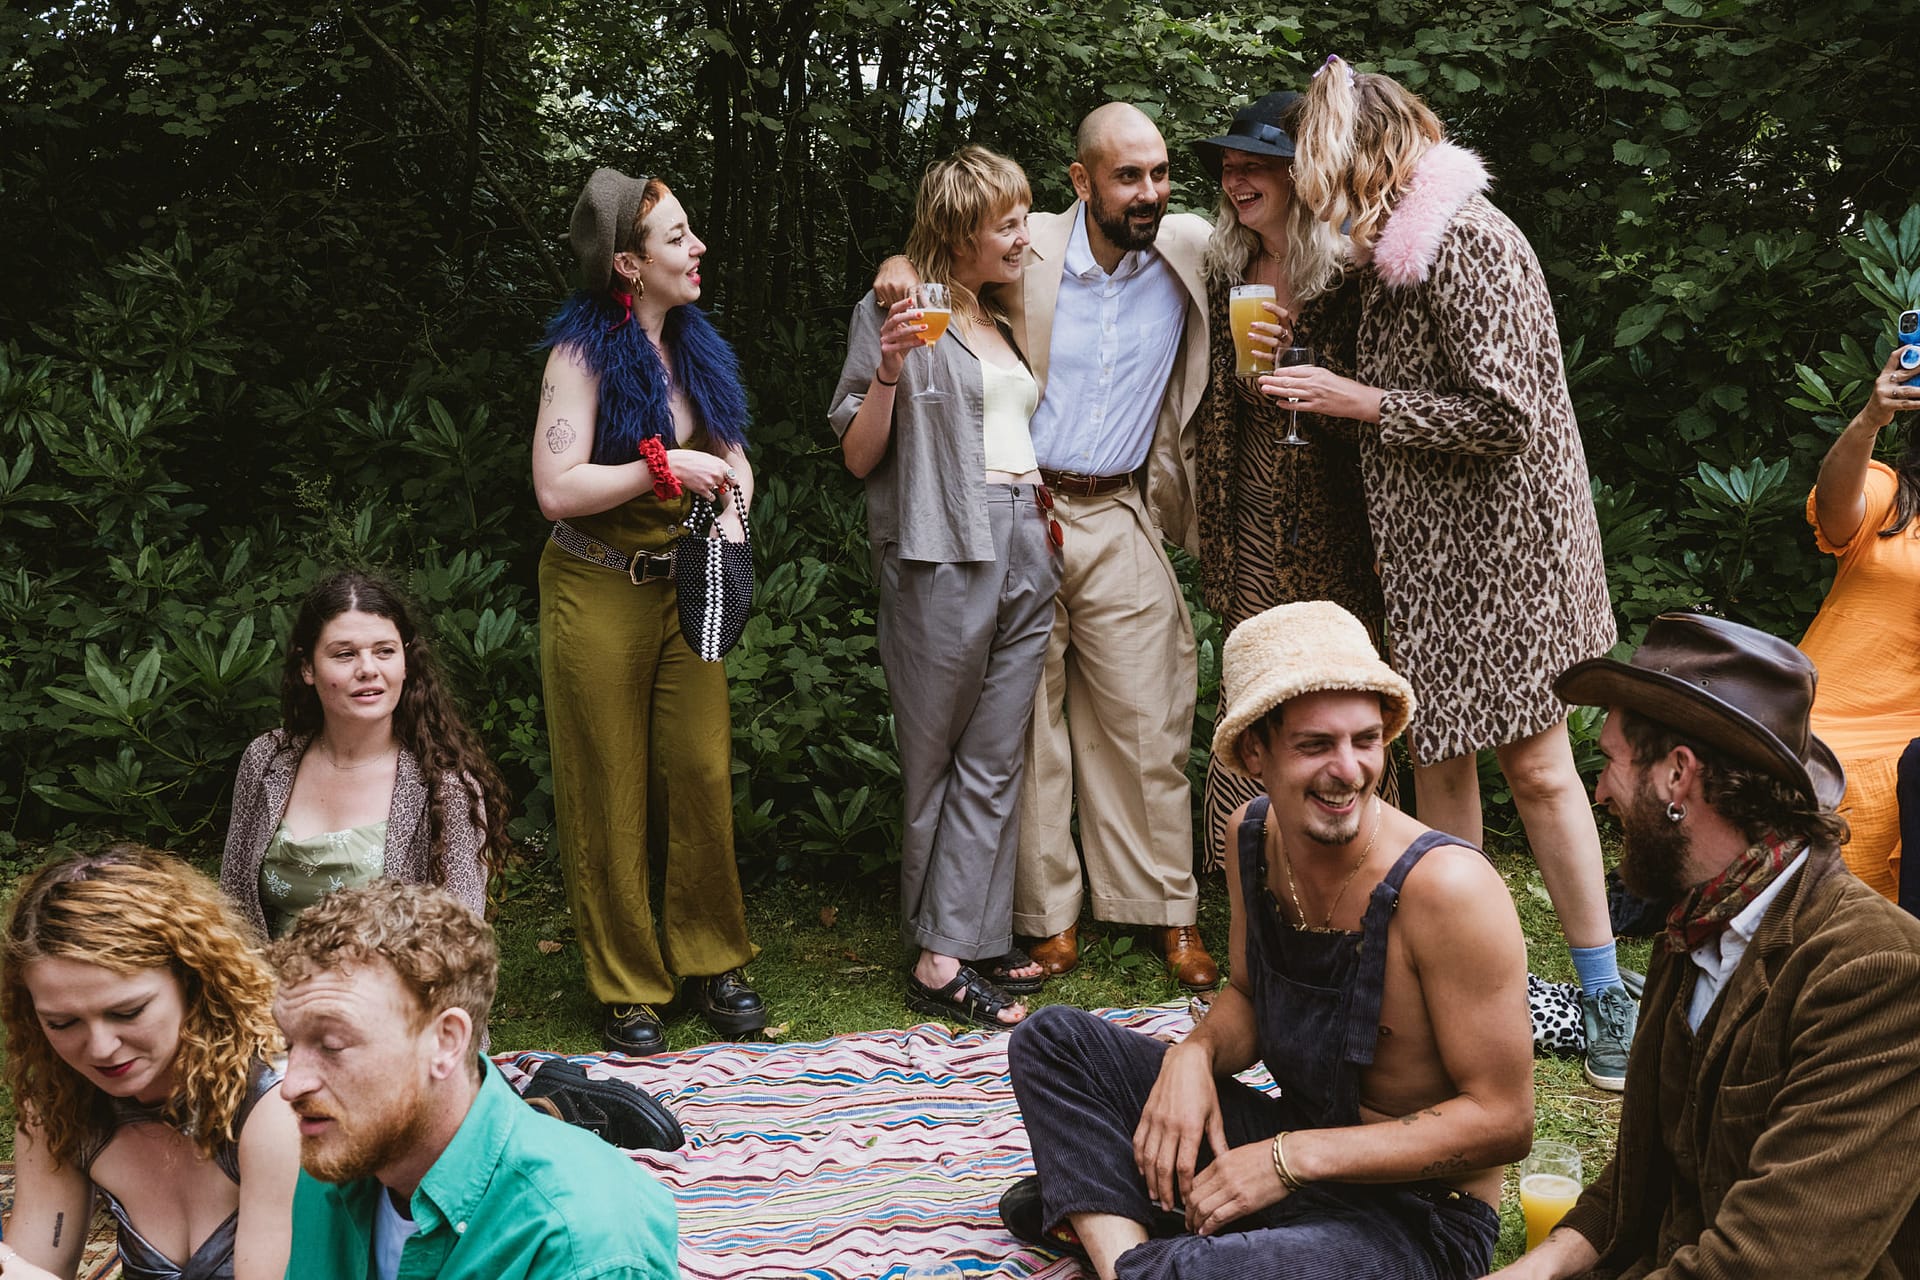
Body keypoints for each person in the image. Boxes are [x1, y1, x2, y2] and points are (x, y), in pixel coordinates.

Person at [1279, 57, 1633, 1089]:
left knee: (1537, 768)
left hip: (1512, 558)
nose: (1323, 197)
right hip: (1433, 563)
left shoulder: (1472, 241)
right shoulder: (1391, 250)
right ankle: (1467, 986)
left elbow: (1506, 417)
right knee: (1436, 767)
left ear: (1374, 155)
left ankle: (1606, 997)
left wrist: (1361, 402)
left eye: (1329, 173)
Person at [1003, 601, 1532, 1280]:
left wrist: (1288, 1159)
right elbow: (1251, 995)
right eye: (1316, 745)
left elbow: (1506, 1122)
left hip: (1418, 1220)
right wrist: (1193, 1054)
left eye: (1365, 740)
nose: (1349, 771)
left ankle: (1130, 1229)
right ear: (1255, 751)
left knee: (1143, 1245)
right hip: (1291, 1162)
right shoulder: (1252, 836)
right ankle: (1134, 1259)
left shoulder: (1449, 888)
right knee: (1052, 1042)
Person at [877, 103, 1219, 992]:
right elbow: (939, 254)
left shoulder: (1188, 248)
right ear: (1082, 180)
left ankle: (1163, 910)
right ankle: (1047, 917)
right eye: (1127, 176)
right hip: (1020, 507)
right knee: (1028, 727)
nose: (1149, 192)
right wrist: (891, 271)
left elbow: (1277, 235)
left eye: (1159, 172)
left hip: (1117, 508)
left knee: (1148, 716)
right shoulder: (1026, 254)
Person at [1496, 610, 1920, 1278]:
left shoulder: (1879, 973)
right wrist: (1538, 1268)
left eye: (1608, 761)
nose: (1599, 789)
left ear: (1677, 775)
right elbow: (1644, 1172)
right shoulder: (1699, 919)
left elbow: (1774, 1264)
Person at [534, 167, 764, 1055]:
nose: (697, 247)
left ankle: (714, 960)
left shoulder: (696, 345)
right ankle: (629, 986)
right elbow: (556, 487)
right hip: (595, 586)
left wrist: (734, 504)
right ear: (629, 264)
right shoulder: (580, 355)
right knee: (609, 784)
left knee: (701, 774)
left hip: (684, 586)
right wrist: (666, 468)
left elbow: (733, 453)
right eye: (676, 238)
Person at [830, 144, 1057, 1029]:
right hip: (937, 548)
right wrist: (888, 366)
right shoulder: (893, 313)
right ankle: (936, 957)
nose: (1022, 238)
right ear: (960, 232)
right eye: (1007, 223)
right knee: (935, 761)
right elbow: (856, 454)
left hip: (1027, 541)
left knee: (997, 756)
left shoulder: (1005, 317)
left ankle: (969, 935)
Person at [272, 880, 679, 1279]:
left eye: (332, 1045)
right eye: (288, 1044)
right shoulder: (338, 1153)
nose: (291, 1086)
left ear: (445, 1042)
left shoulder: (580, 1243)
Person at [1189, 90, 1389, 869]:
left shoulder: (1350, 273)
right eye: (1230, 169)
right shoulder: (1225, 266)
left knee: (1336, 683)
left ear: (1298, 177)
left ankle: (1355, 855)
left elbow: (1370, 405)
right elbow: (1226, 402)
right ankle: (1252, 863)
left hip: (1337, 515)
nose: (1238, 182)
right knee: (1254, 685)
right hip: (1248, 506)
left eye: (1256, 169)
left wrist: (1308, 371)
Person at [0, 845, 300, 1280]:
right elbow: (36, 1261)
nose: (100, 1048)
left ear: (194, 981)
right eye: (62, 1022)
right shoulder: (60, 1105)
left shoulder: (278, 1105)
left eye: (127, 1012)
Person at [222, 570, 508, 940]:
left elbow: (460, 945)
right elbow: (231, 909)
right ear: (308, 667)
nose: (369, 670)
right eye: (345, 654)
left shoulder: (444, 788)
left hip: (390, 994)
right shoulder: (266, 759)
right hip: (266, 990)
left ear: (406, 663)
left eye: (384, 651)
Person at [1798, 344, 1920, 903]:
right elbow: (1833, 506)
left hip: (1906, 729)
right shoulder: (1894, 497)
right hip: (1812, 708)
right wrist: (1872, 418)